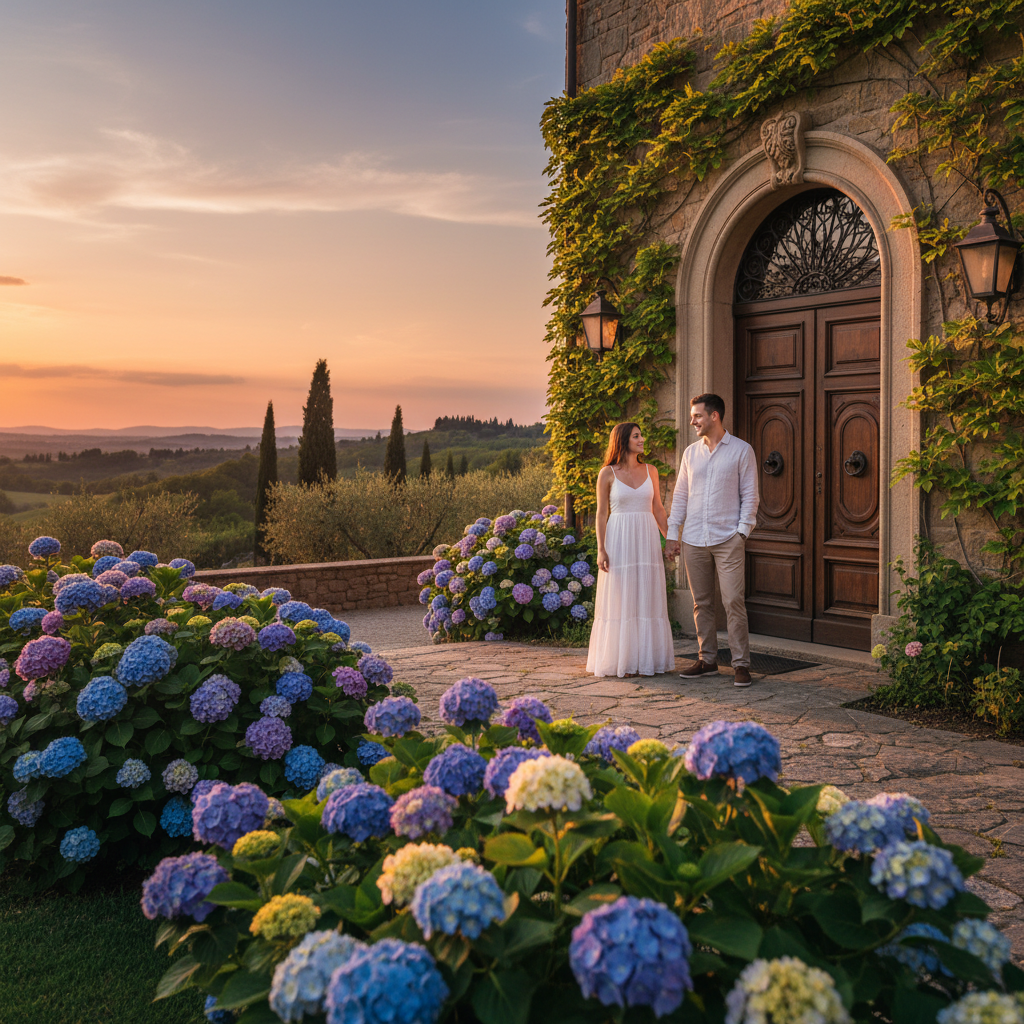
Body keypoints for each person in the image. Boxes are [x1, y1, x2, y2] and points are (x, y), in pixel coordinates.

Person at [664, 394, 759, 687]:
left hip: (728, 538)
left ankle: (741, 664)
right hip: (693, 539)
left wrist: (742, 533)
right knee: (701, 602)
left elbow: (750, 496)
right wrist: (672, 535)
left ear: (715, 416)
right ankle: (707, 661)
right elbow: (680, 496)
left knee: (733, 602)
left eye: (697, 416)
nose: (692, 421)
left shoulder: (742, 451)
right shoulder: (691, 453)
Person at [586, 422, 675, 678]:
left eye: (641, 435)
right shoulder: (607, 473)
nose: (642, 439)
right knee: (621, 597)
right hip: (619, 541)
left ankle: (647, 659)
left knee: (646, 595)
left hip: (646, 539)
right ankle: (619, 660)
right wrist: (601, 550)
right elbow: (601, 514)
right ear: (623, 441)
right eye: (637, 436)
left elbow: (658, 508)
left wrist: (670, 539)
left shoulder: (652, 471)